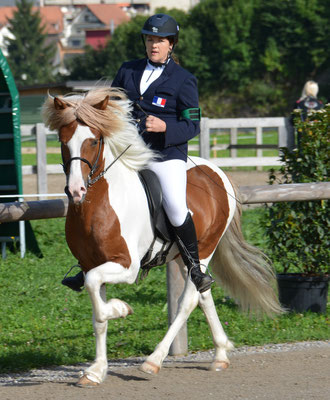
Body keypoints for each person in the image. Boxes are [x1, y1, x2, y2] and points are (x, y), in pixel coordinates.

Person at [62, 13, 214, 293]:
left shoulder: (184, 80)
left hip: (164, 155)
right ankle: (86, 265)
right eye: (149, 39)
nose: (154, 44)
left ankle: (195, 267)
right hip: (127, 151)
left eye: (160, 40)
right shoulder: (127, 70)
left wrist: (165, 126)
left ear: (171, 44)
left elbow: (193, 124)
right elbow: (110, 107)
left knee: (176, 206)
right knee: (96, 192)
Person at [291, 80, 324, 148]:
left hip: (303, 136)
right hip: (317, 136)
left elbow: (292, 120)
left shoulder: (299, 103)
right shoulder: (320, 104)